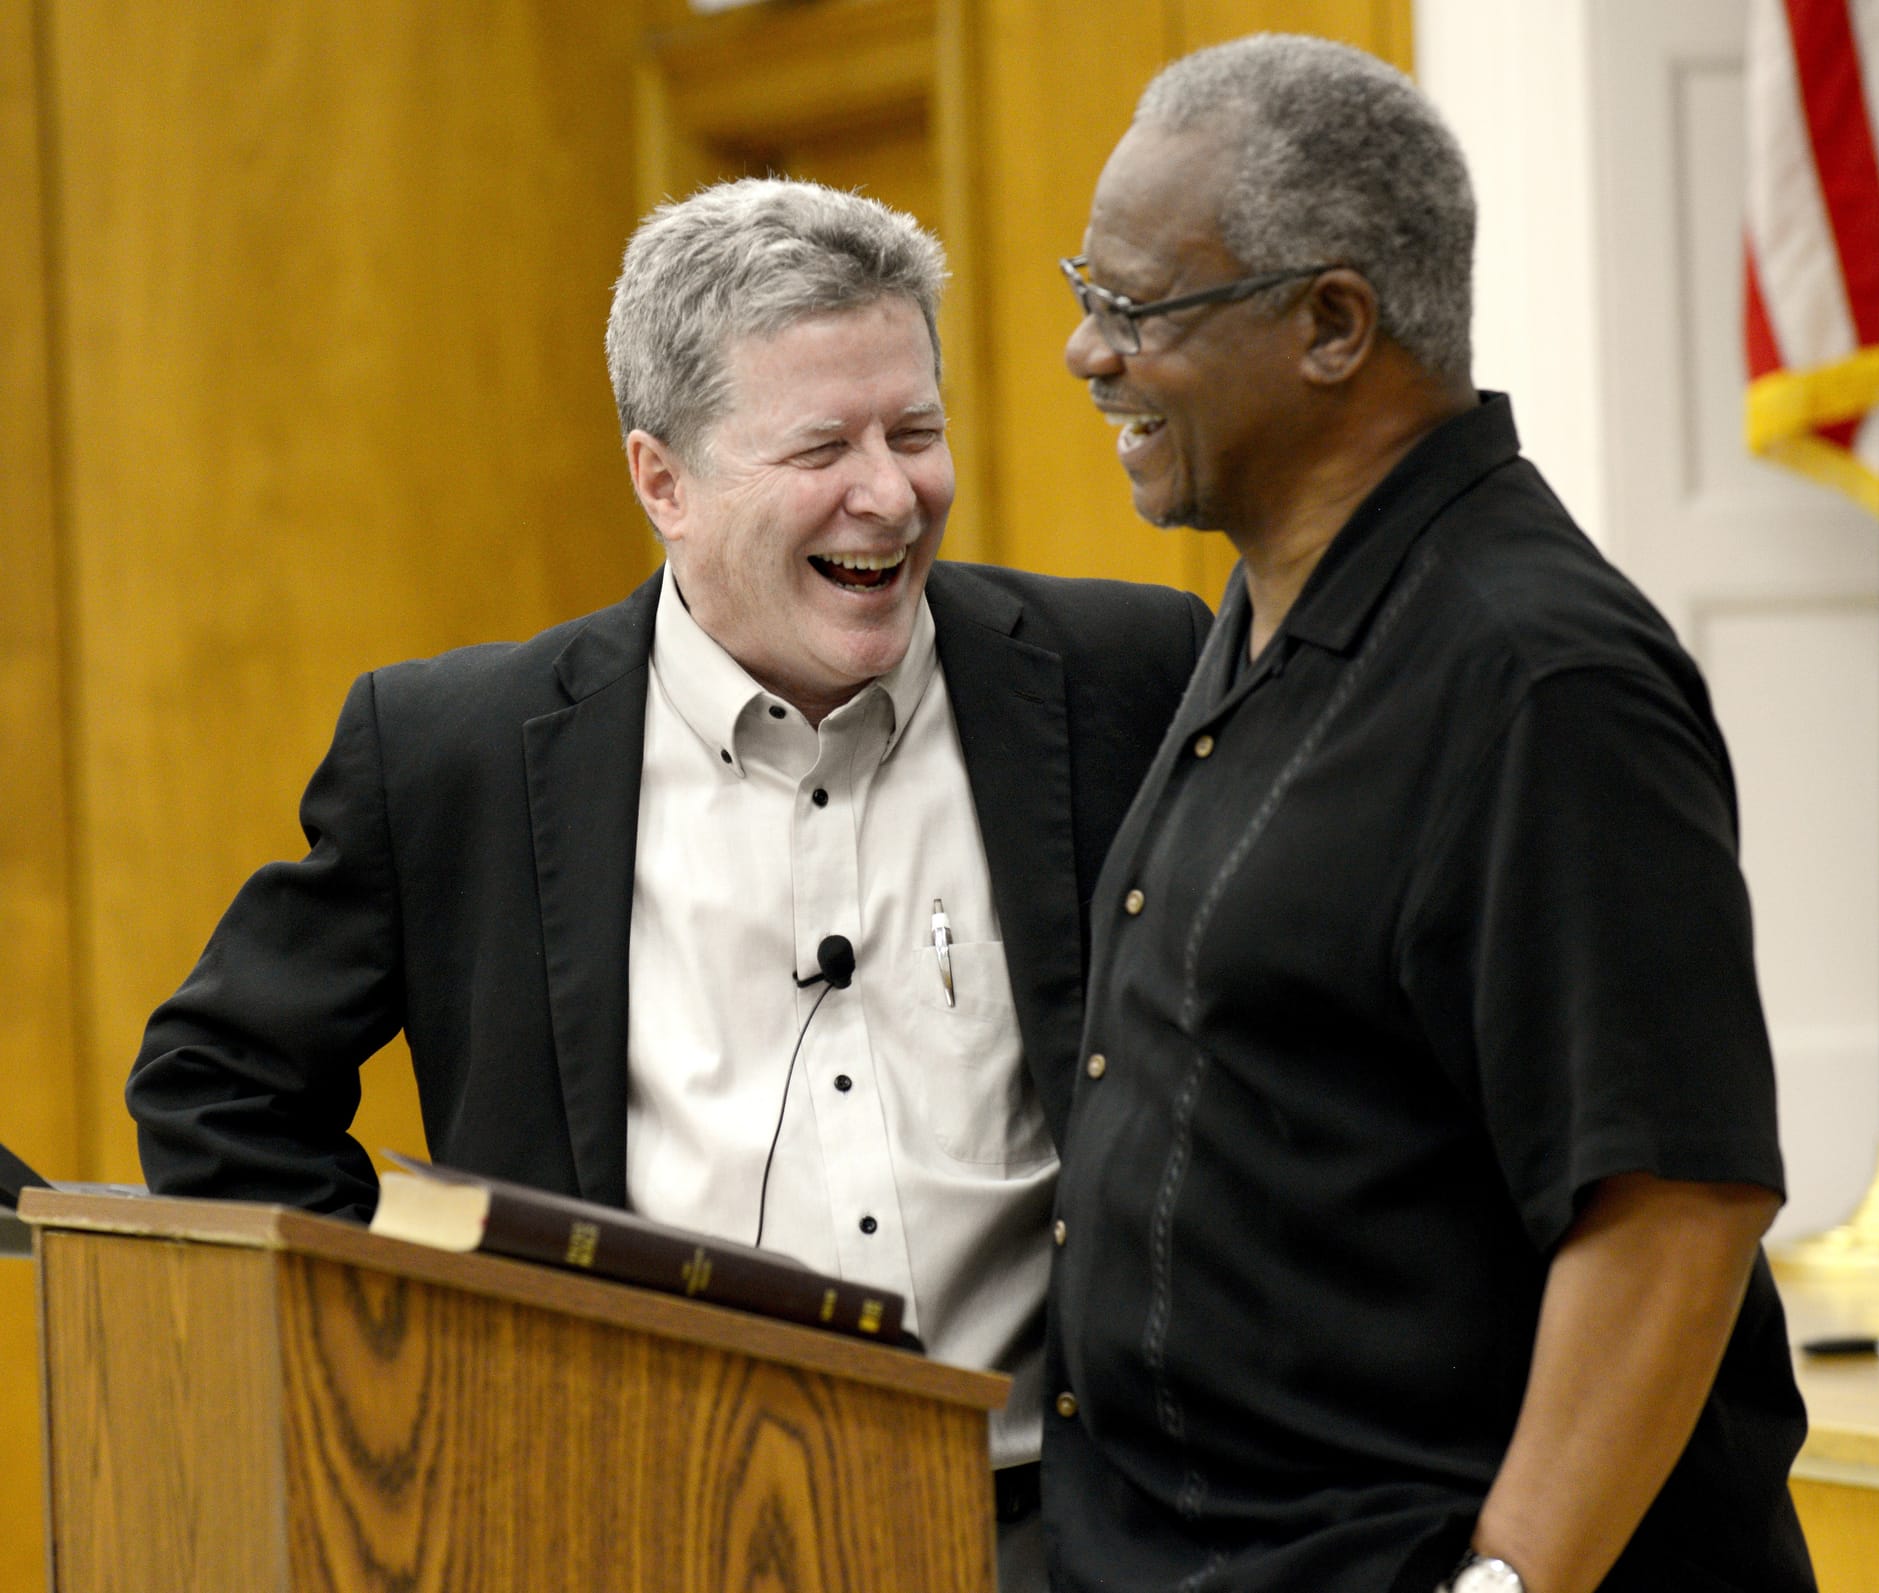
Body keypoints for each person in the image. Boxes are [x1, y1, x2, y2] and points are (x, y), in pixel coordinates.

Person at [126, 178, 1210, 1593]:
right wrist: (431, 1353)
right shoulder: (453, 753)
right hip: (641, 1533)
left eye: (916, 430)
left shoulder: (1123, 675)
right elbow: (215, 1087)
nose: (888, 491)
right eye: (821, 444)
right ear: (663, 478)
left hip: (1060, 1539)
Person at [1042, 36, 1815, 1593]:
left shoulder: (1543, 676)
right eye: (1085, 289)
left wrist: (1508, 1585)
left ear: (1333, 324)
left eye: (1136, 308)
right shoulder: (1275, 609)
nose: (1086, 351)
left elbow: (1675, 1197)